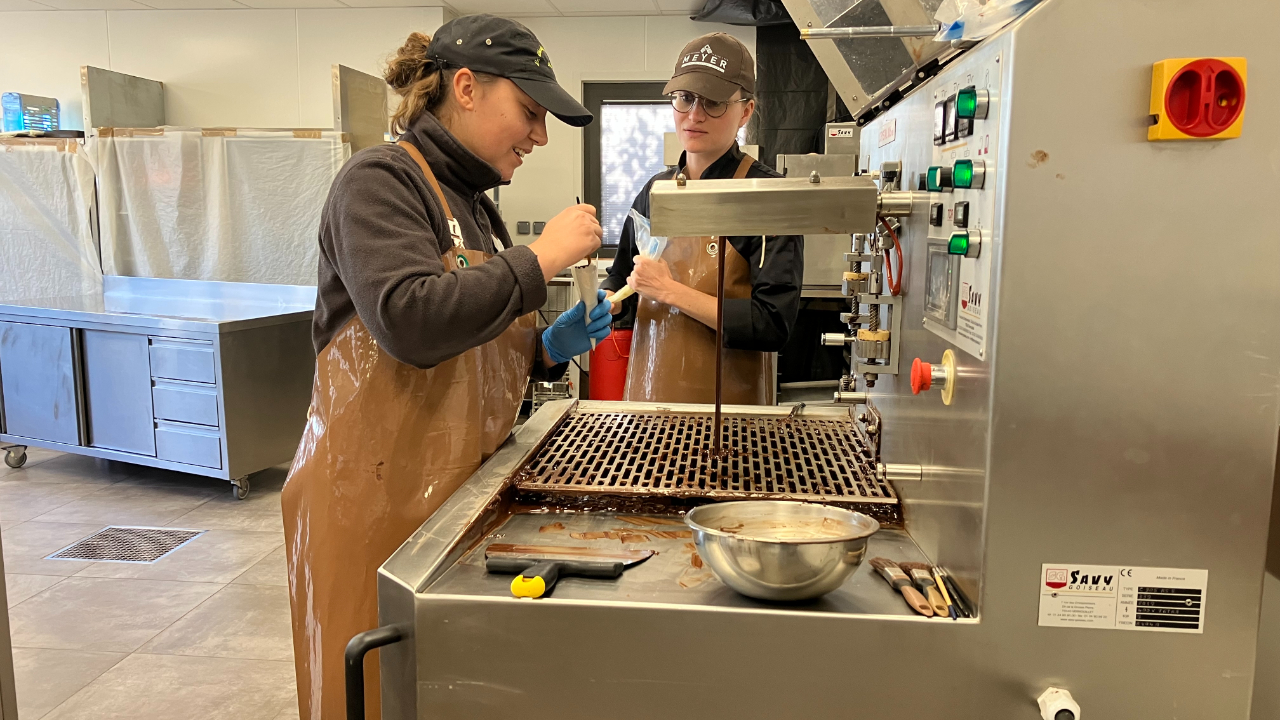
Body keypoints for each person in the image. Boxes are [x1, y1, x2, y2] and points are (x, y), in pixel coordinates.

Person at [281, 15, 610, 720]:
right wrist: (542, 258)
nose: (540, 135)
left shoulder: (477, 209)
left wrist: (545, 345)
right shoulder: (378, 181)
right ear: (465, 87)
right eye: (529, 111)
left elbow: (473, 354)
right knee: (375, 696)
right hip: (365, 513)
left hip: (451, 511)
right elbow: (410, 319)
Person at [601, 33, 803, 406]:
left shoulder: (768, 197)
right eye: (685, 98)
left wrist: (671, 292)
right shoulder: (654, 191)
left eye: (713, 102)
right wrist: (608, 300)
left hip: (734, 417)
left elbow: (772, 324)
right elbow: (623, 277)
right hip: (649, 403)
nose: (694, 115)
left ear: (745, 111)